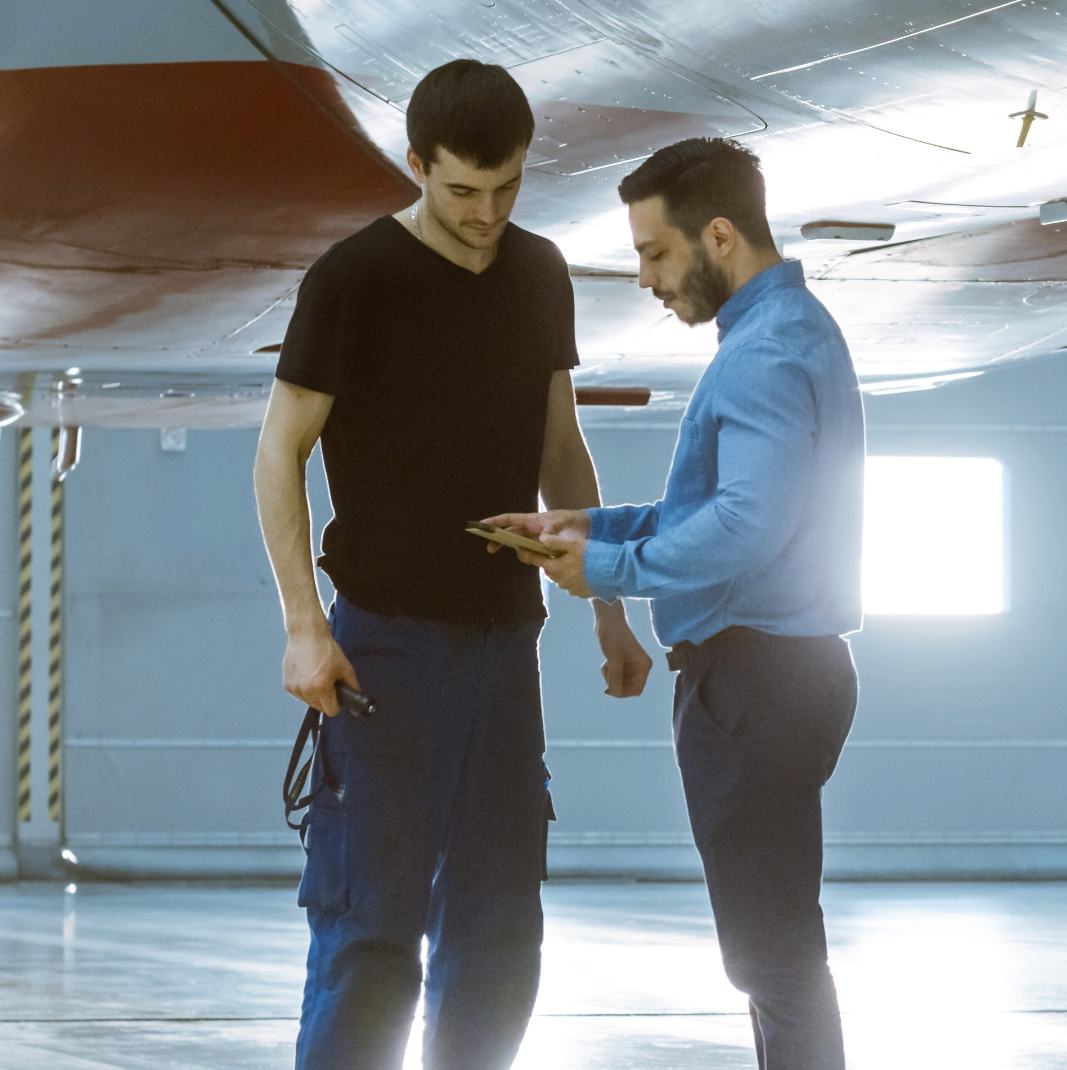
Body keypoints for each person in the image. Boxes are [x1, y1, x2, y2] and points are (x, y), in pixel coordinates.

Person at [253, 58, 652, 1070]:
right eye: (461, 190)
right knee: (374, 934)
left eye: (506, 187)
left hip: (504, 646)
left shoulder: (537, 271)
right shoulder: (352, 279)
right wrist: (304, 623)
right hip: (384, 650)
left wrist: (606, 596)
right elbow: (278, 451)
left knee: (501, 931)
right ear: (417, 164)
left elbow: (559, 443)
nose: (485, 213)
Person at [485, 137, 864, 1070]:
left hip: (754, 679)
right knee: (774, 943)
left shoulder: (764, 354)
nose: (647, 278)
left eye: (656, 253)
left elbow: (747, 525)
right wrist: (595, 521)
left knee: (770, 951)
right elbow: (725, 505)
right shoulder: (787, 332)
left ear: (721, 236)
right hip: (783, 670)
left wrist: (608, 570)